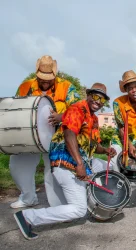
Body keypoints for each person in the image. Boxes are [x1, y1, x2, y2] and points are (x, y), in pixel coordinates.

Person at [14, 83, 117, 240]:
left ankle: (95, 202)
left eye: (102, 99)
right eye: (95, 96)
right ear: (88, 95)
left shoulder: (93, 118)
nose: (98, 101)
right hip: (66, 162)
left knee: (108, 167)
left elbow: (91, 144)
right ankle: (28, 217)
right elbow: (69, 134)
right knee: (78, 210)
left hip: (81, 159)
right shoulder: (77, 109)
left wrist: (105, 150)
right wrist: (80, 164)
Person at [10, 55, 80, 208]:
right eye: (42, 78)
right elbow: (16, 108)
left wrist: (62, 116)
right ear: (36, 74)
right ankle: (28, 198)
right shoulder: (25, 86)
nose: (46, 81)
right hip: (29, 136)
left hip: (56, 137)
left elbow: (79, 110)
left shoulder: (67, 86)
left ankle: (57, 206)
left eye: (49, 78)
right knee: (17, 164)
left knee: (53, 171)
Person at [92, 70, 136, 207]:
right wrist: (129, 145)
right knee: (115, 162)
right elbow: (121, 127)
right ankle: (117, 196)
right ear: (125, 89)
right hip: (121, 137)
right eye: (130, 88)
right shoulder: (117, 103)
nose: (134, 90)